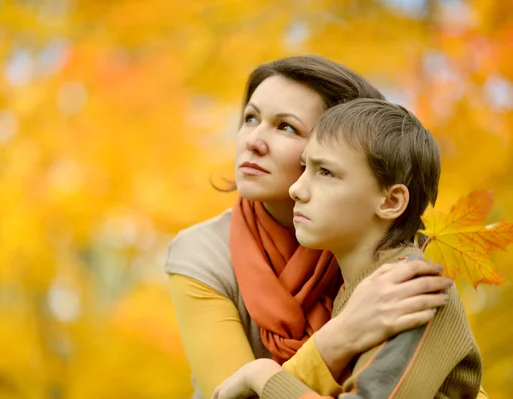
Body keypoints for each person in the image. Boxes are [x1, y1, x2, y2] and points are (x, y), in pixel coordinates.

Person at [165, 56, 461, 399]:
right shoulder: (201, 253)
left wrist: (262, 376)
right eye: (250, 118)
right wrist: (341, 335)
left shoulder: (379, 252)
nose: (253, 141)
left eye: (286, 127)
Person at [212, 98, 483, 399]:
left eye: (326, 172)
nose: (296, 189)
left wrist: (261, 375)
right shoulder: (363, 283)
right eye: (305, 167)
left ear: (390, 201)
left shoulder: (409, 292)